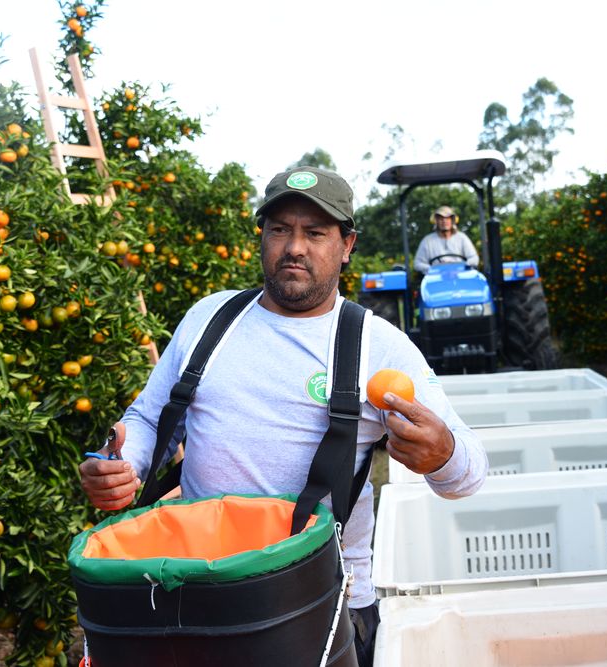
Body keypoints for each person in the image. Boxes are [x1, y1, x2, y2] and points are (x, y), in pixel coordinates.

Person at [79, 166, 488, 667]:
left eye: (315, 233)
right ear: (263, 237)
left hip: (316, 605)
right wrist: (123, 464)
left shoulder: (378, 346)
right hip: (194, 589)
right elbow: (147, 419)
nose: (295, 247)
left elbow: (468, 475)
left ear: (347, 244)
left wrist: (441, 451)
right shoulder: (210, 318)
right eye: (280, 229)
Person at [413, 205, 480, 274]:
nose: (444, 221)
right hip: (436, 277)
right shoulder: (427, 241)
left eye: (447, 218)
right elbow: (418, 263)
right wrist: (432, 269)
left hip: (460, 275)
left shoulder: (462, 238)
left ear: (452, 221)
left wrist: (465, 266)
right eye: (441, 218)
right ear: (436, 221)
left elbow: (474, 258)